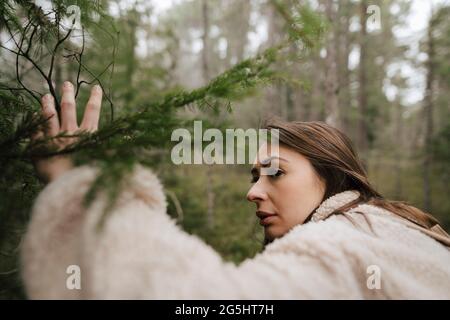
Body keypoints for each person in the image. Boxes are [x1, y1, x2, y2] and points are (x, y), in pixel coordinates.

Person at [22, 81, 450, 299]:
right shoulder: (388, 230)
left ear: (333, 178)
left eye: (275, 173)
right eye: (254, 178)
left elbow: (207, 300)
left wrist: (83, 186)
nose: (254, 193)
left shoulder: (342, 243)